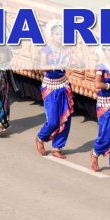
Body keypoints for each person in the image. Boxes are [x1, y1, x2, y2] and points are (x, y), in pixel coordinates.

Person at [36, 23, 74, 158]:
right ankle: (41, 137)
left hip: (63, 86)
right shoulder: (46, 50)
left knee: (66, 117)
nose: (60, 37)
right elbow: (41, 68)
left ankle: (57, 147)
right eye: (57, 34)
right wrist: (56, 65)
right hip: (50, 87)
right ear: (52, 36)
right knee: (53, 120)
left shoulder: (66, 50)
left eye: (62, 34)